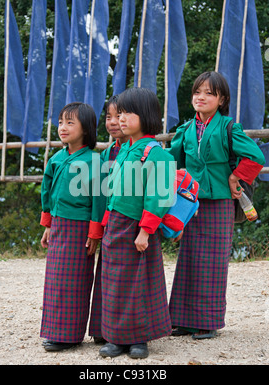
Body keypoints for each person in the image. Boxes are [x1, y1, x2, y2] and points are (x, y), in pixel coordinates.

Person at [167, 71, 265, 339]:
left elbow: (255, 156)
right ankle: (183, 320)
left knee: (212, 262)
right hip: (190, 202)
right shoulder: (185, 129)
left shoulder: (228, 127)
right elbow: (170, 161)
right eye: (198, 92)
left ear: (222, 100)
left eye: (209, 93)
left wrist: (236, 176)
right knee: (188, 259)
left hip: (220, 202)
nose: (201, 97)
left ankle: (208, 322)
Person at [99, 87, 176, 359]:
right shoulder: (122, 151)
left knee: (138, 284)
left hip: (138, 228)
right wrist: (107, 221)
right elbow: (115, 191)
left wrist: (145, 231)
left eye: (127, 113)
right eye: (118, 113)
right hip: (116, 226)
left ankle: (139, 340)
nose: (120, 119)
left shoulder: (156, 153)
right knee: (114, 283)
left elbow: (160, 195)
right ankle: (116, 338)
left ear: (145, 115)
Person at [40, 102, 106, 351]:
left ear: (86, 129)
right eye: (60, 122)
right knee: (55, 280)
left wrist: (94, 233)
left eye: (70, 123)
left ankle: (71, 334)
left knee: (76, 280)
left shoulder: (94, 160)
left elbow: (99, 200)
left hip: (80, 229)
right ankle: (56, 331)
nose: (62, 128)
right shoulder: (57, 158)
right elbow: (48, 192)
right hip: (58, 226)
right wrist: (48, 224)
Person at [88, 95, 130, 343]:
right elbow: (100, 193)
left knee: (129, 276)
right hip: (110, 222)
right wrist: (96, 229)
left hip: (134, 221)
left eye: (120, 116)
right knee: (106, 274)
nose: (114, 122)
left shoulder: (143, 149)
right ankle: (104, 328)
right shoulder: (107, 153)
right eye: (109, 117)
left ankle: (130, 331)